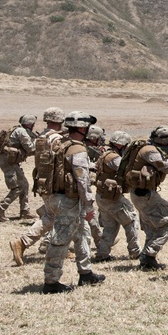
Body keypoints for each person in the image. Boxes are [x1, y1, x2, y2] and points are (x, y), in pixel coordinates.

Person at [40, 111, 104, 293]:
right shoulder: (77, 149)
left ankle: (86, 272)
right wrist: (89, 205)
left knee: (82, 234)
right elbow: (82, 180)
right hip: (68, 201)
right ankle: (51, 282)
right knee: (60, 240)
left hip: (58, 197)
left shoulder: (61, 143)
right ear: (83, 128)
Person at [9, 107, 64, 266]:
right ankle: (24, 242)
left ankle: (31, 243)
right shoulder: (56, 138)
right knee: (57, 216)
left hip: (43, 181)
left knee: (53, 215)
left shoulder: (41, 137)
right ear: (59, 121)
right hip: (55, 183)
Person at [123, 126, 168, 271]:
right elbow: (166, 168)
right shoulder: (150, 151)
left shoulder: (146, 147)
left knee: (152, 228)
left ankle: (148, 262)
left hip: (141, 193)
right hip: (144, 194)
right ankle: (148, 254)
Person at [91, 130, 141, 262]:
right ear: (120, 145)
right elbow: (125, 171)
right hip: (112, 198)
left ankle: (102, 253)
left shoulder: (105, 154)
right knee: (131, 221)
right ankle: (135, 252)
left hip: (103, 196)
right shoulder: (113, 157)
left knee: (110, 227)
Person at [0, 115, 38, 221]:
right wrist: (39, 141)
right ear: (30, 124)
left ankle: (25, 211)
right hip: (9, 163)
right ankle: (0, 210)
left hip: (11, 162)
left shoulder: (18, 129)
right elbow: (30, 147)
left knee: (24, 185)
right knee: (17, 188)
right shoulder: (21, 132)